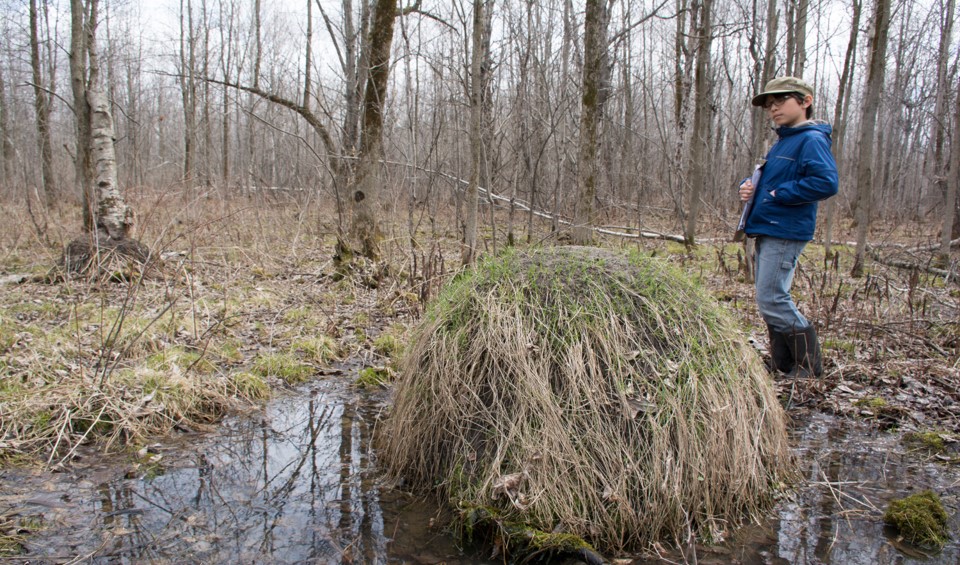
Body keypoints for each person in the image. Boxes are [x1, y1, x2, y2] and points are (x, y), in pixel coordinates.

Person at [738, 76, 839, 378]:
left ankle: (808, 368)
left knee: (772, 298)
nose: (773, 108)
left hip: (785, 229)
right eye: (769, 104)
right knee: (770, 298)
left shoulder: (811, 139)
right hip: (769, 227)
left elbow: (825, 182)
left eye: (781, 101)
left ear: (805, 101)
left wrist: (778, 194)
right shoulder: (787, 140)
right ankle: (783, 364)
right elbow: (774, 180)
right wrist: (750, 187)